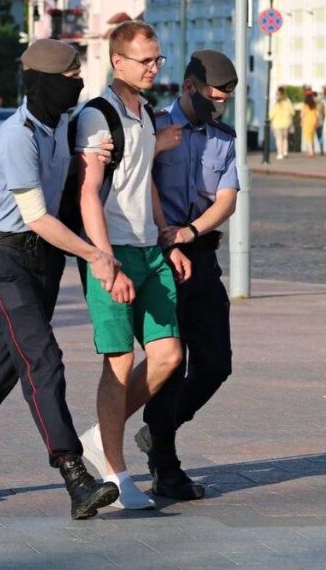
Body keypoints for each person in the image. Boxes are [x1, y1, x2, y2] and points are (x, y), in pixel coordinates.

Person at [0, 39, 121, 521]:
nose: (77, 86)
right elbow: (36, 217)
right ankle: (75, 476)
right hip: (4, 260)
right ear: (43, 83)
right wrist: (95, 254)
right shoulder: (18, 135)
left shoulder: (59, 127)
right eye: (69, 79)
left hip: (41, 265)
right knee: (43, 359)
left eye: (80, 78)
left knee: (2, 365)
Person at [74, 21, 189, 509]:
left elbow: (143, 182)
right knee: (119, 362)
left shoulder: (144, 113)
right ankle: (117, 477)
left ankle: (103, 434)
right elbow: (87, 193)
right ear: (118, 61)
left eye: (158, 59)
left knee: (168, 356)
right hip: (114, 252)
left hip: (149, 250)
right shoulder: (97, 117)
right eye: (145, 60)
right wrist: (104, 261)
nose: (153, 68)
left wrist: (168, 239)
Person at [136, 50, 239, 501]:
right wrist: (166, 234)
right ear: (190, 87)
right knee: (170, 363)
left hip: (201, 253)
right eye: (212, 98)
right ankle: (166, 465)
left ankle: (159, 430)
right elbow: (135, 183)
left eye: (224, 101)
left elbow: (227, 197)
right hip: (160, 259)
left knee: (216, 364)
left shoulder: (224, 137)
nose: (217, 108)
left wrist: (192, 230)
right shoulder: (153, 126)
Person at [269, 87, 294, 160]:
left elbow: (272, 113)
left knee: (278, 139)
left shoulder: (276, 102)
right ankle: (285, 152)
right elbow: (292, 112)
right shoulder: (288, 101)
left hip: (277, 123)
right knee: (285, 138)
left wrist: (270, 120)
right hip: (286, 123)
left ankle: (280, 153)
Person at [301, 92, 319, 157]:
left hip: (307, 122)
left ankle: (310, 152)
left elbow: (302, 115)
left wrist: (302, 122)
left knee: (308, 137)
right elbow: (317, 115)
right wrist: (317, 122)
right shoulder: (314, 105)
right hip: (313, 122)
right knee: (312, 137)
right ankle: (311, 150)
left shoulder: (305, 106)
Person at [315, 85, 326, 154]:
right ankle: (321, 149)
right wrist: (323, 120)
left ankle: (311, 149)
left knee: (312, 136)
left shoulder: (312, 104)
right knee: (320, 135)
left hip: (313, 121)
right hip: (320, 121)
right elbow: (324, 113)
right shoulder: (322, 104)